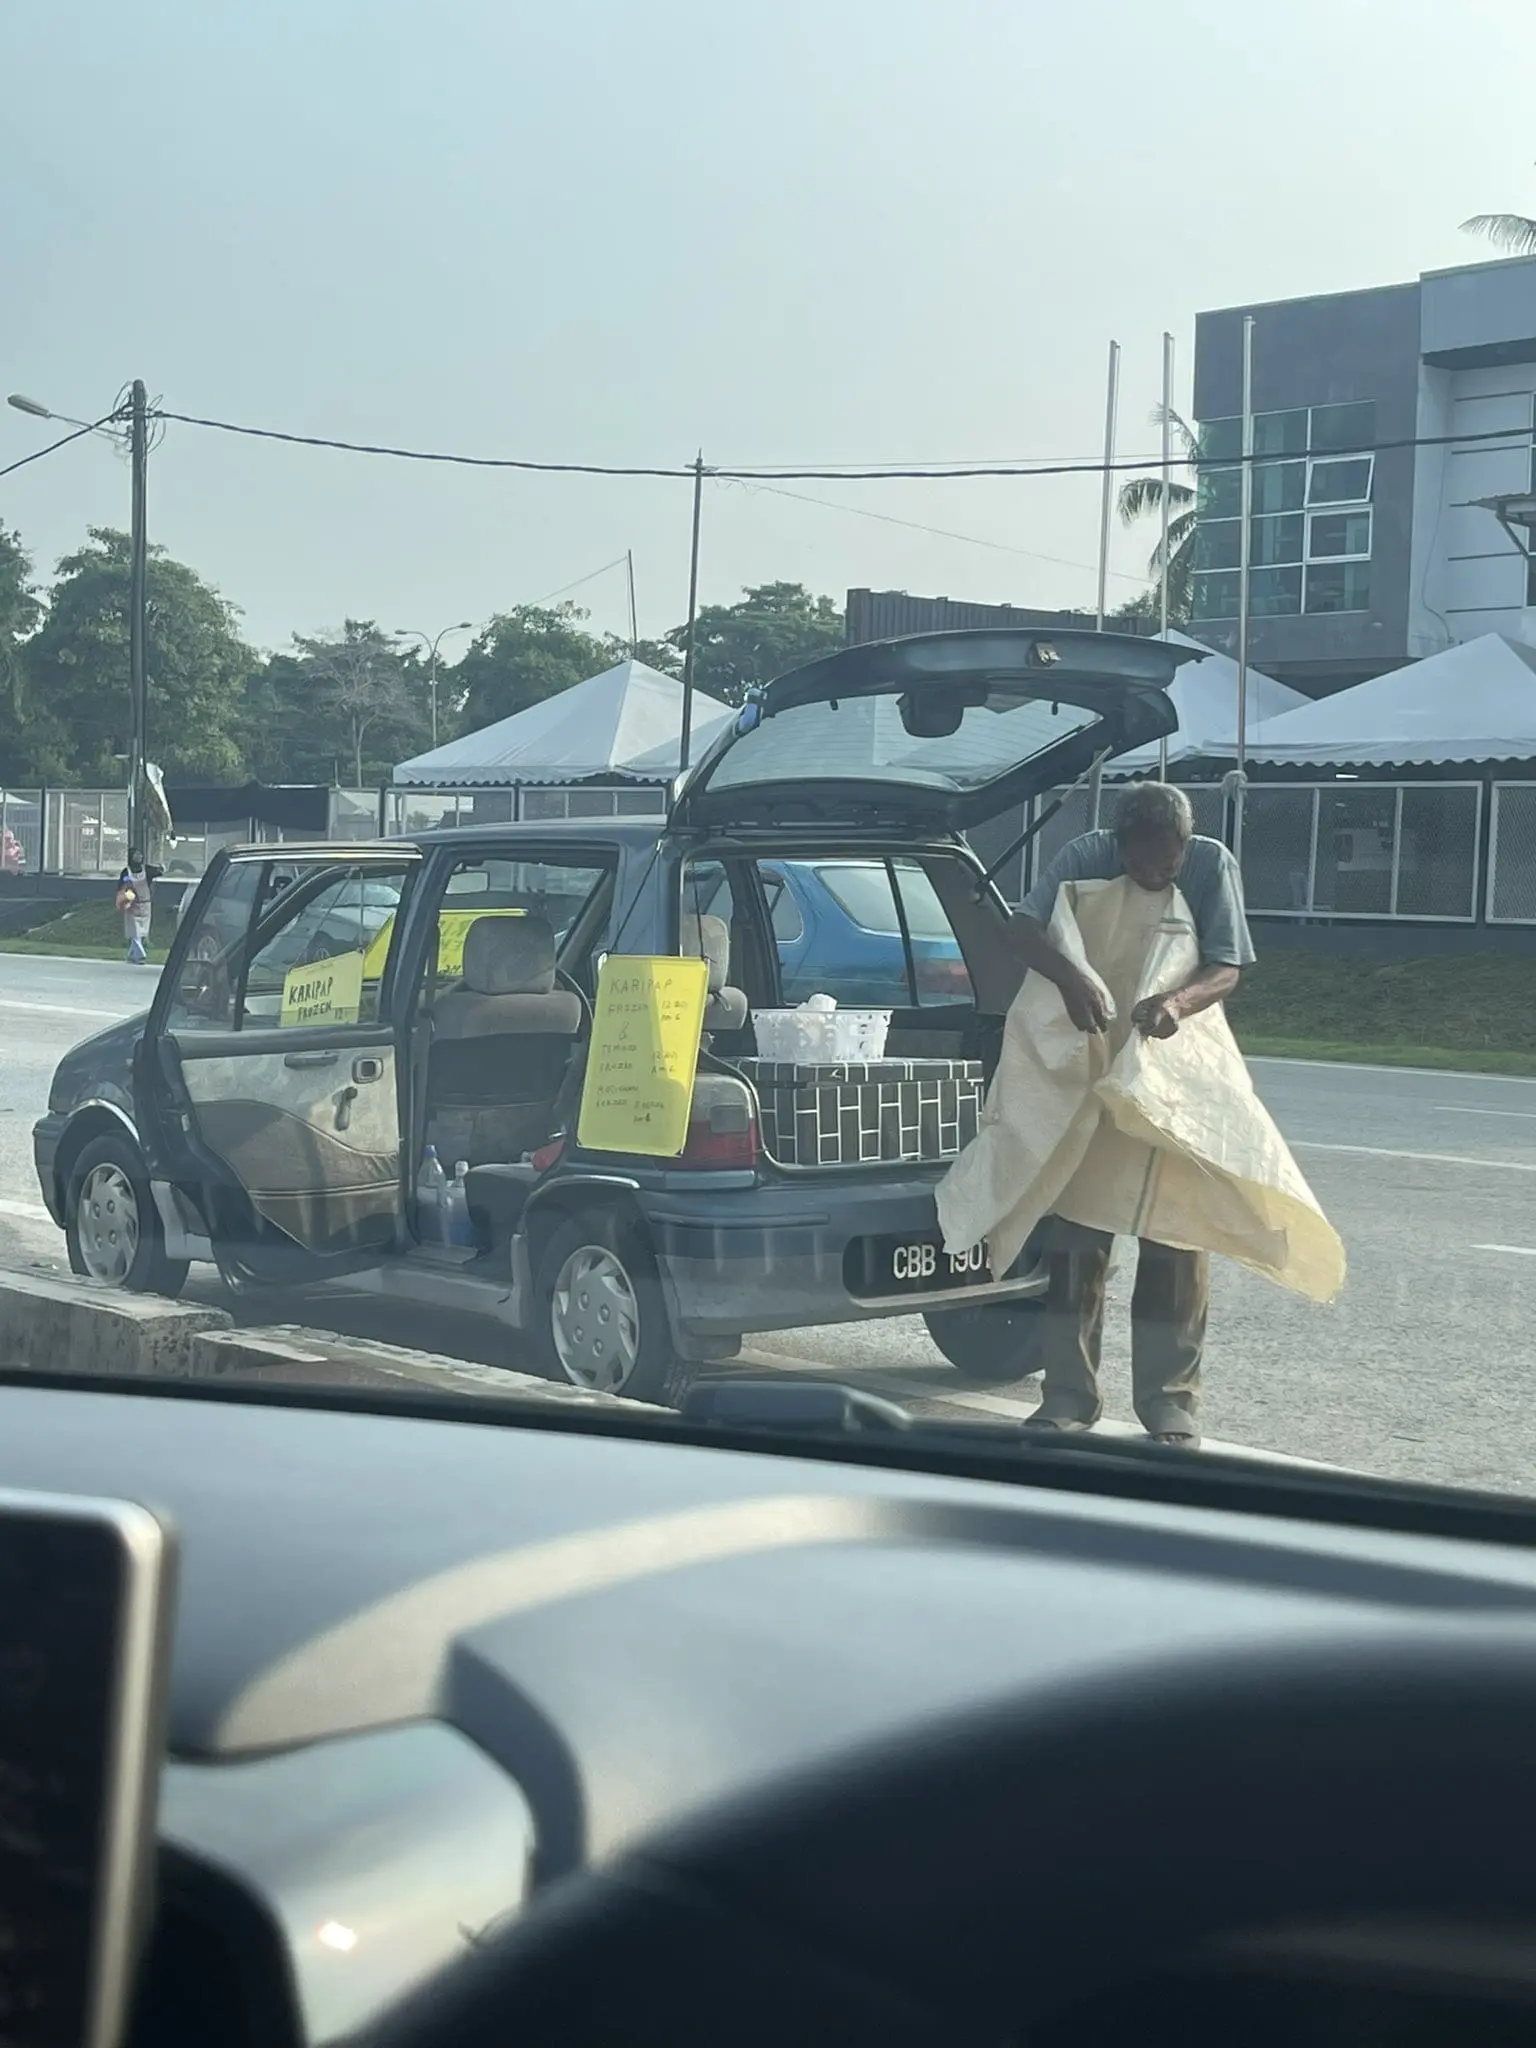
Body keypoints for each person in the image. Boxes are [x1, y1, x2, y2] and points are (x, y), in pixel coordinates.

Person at [1005, 783, 1256, 1449]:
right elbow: (1023, 927)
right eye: (1142, 863)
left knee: (1175, 1234)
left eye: (1167, 864)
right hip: (1093, 1061)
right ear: (1120, 844)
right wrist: (1071, 977)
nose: (1155, 874)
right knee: (1077, 1236)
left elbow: (1227, 965)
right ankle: (1066, 1395)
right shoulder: (1085, 855)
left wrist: (1176, 1002)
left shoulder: (1210, 863)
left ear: (1184, 846)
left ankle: (1170, 1402)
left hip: (1177, 1065)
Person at [117, 847, 163, 965]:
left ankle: (132, 956)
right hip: (132, 906)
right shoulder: (126, 872)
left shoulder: (146, 870)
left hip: (146, 905)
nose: (139, 857)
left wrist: (160, 867)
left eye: (140, 855)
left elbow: (159, 872)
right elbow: (122, 886)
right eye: (136, 855)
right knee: (135, 932)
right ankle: (141, 956)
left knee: (141, 932)